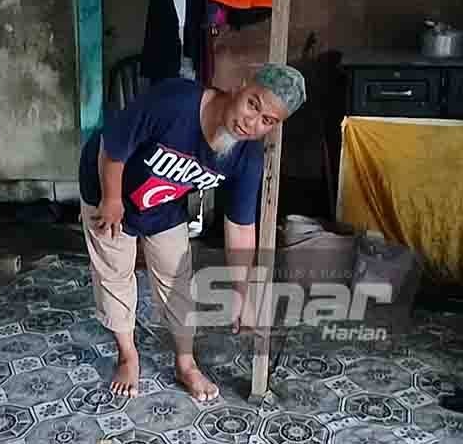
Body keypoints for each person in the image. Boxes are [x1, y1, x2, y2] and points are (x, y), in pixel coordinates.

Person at [78, 63, 306, 401]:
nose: (252, 122)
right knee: (114, 271)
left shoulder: (247, 157)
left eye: (267, 120)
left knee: (177, 278)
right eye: (253, 104)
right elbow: (114, 145)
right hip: (107, 182)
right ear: (241, 85)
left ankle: (186, 364)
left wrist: (242, 292)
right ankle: (128, 357)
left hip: (162, 200)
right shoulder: (176, 102)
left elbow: (240, 225)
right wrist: (111, 199)